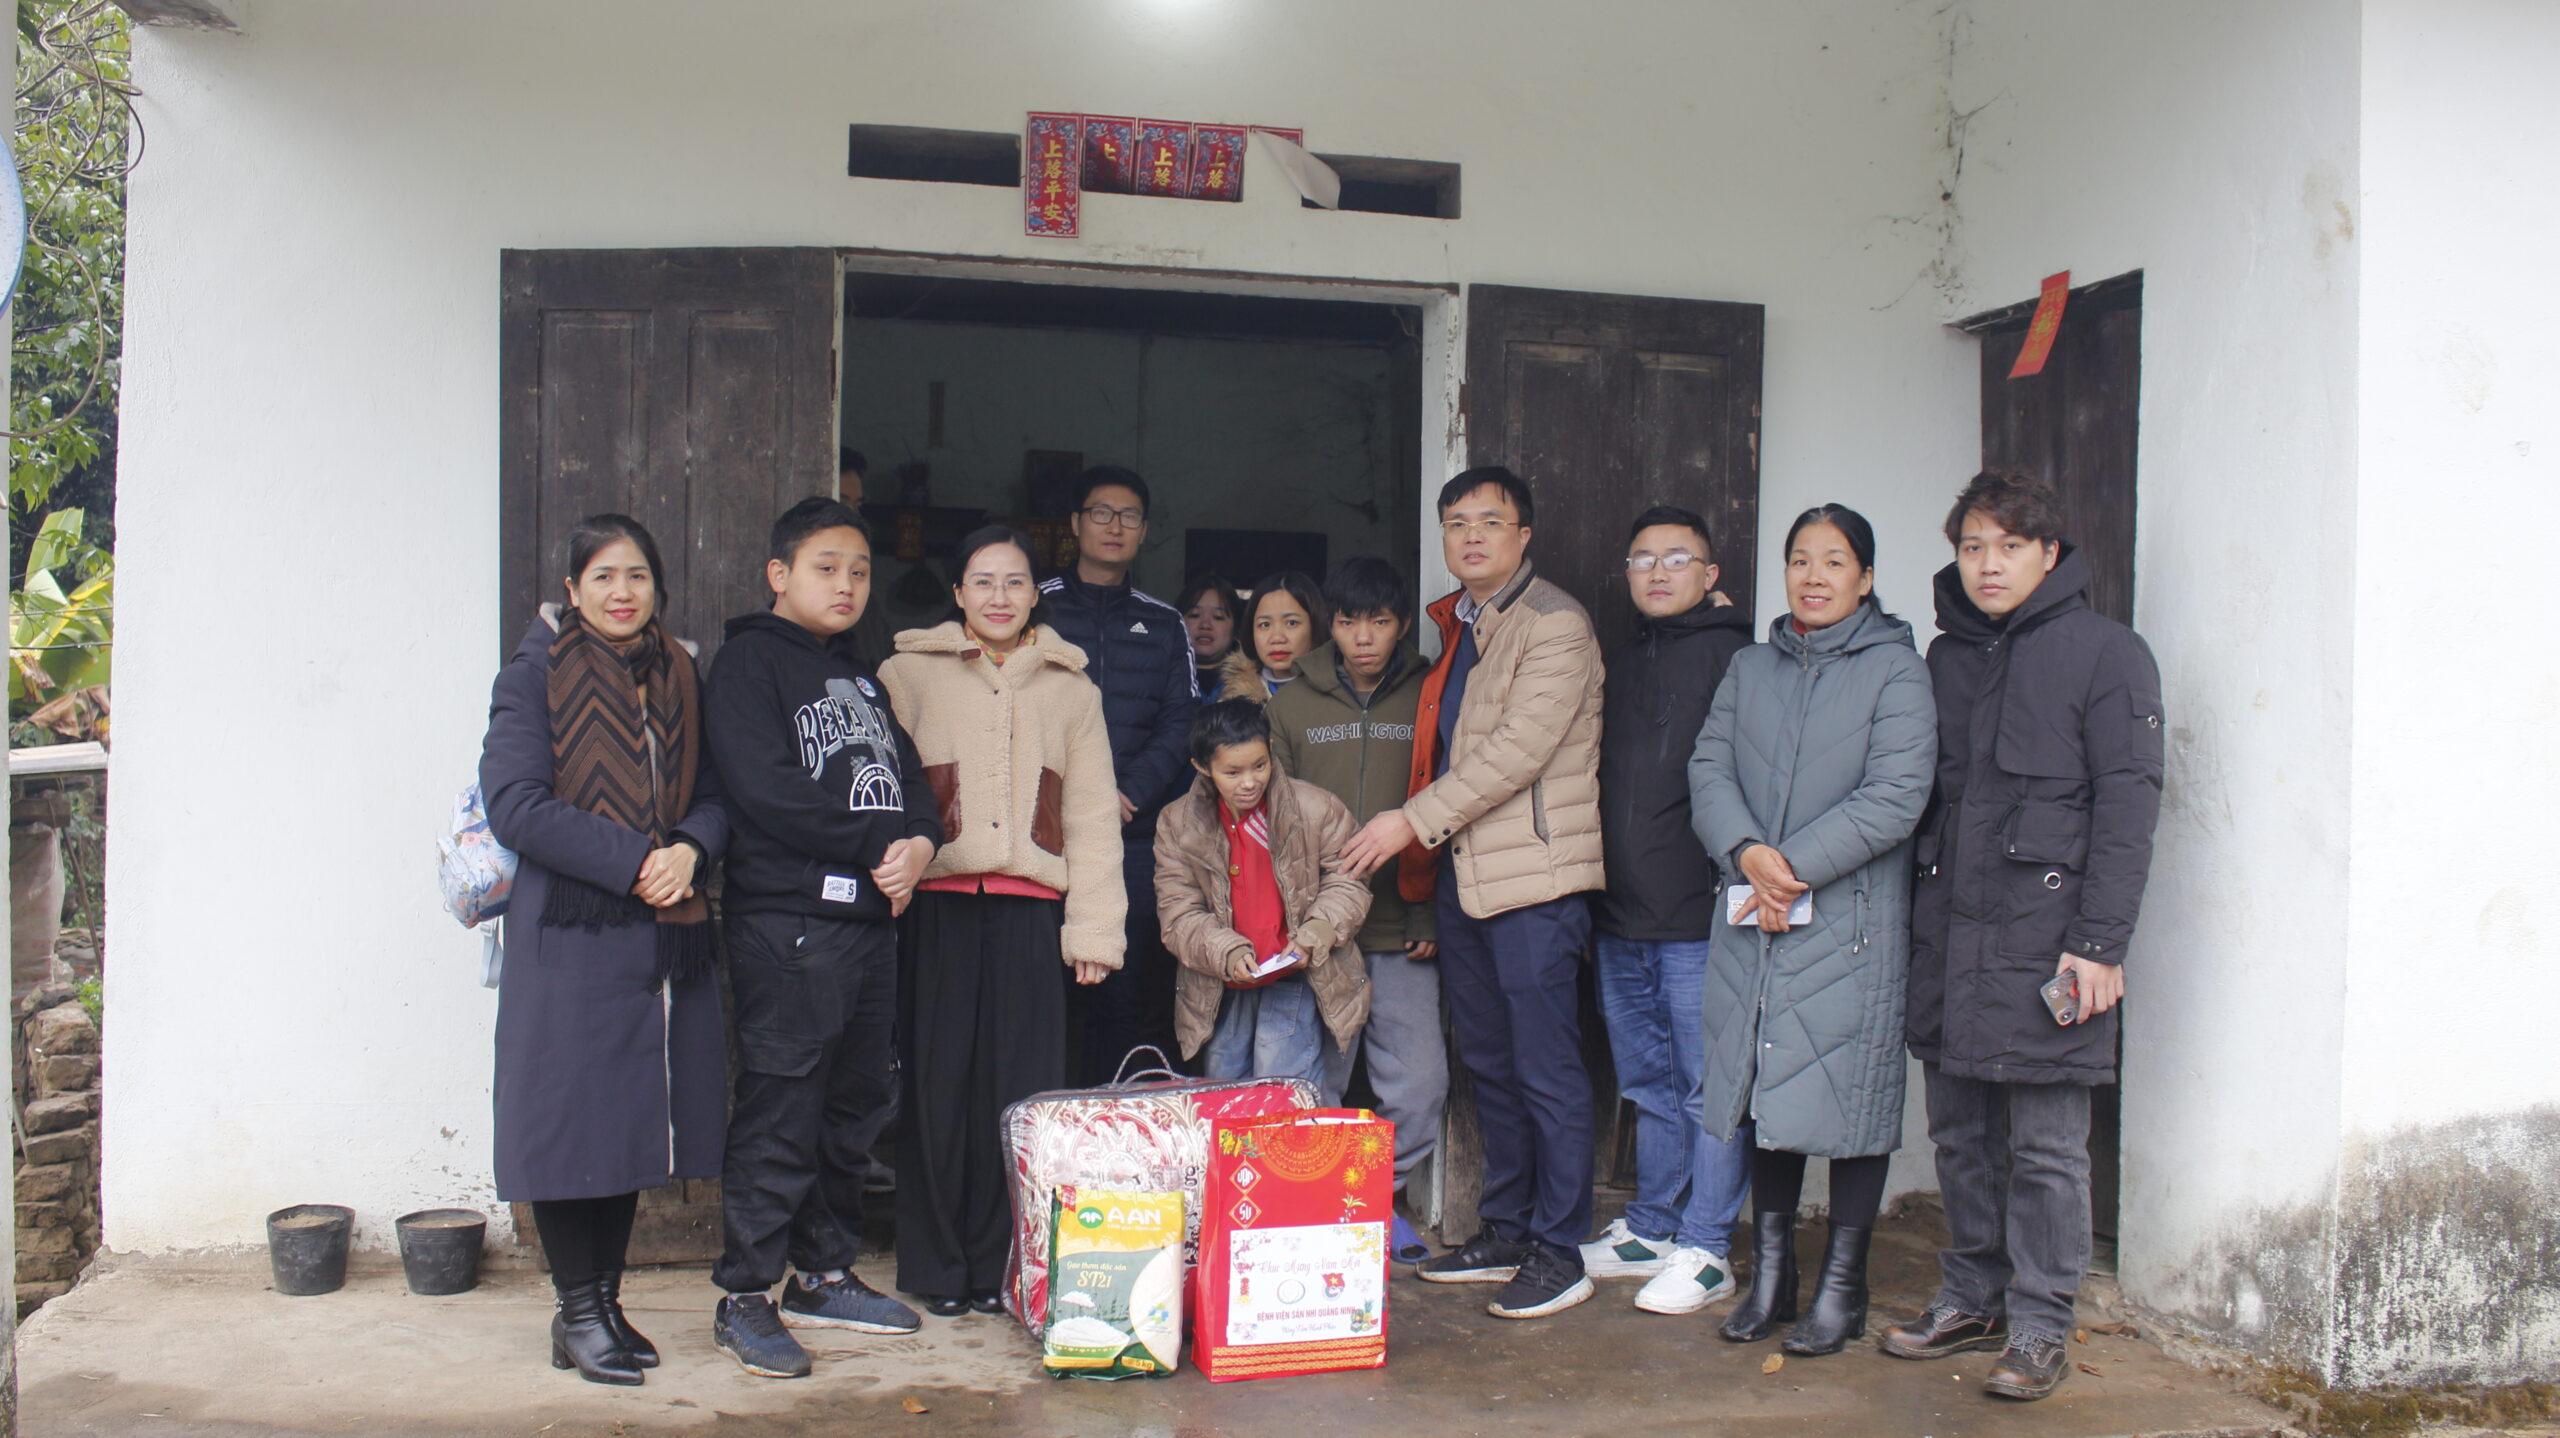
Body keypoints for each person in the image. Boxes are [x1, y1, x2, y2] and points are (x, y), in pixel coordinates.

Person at [1879, 473, 2163, 1402]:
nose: (1988, 564)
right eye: (1972, 547)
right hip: (1951, 937)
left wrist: (2101, 943)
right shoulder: (1945, 658)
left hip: (2052, 944)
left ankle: (2042, 1321)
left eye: (2007, 546)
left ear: (2049, 553)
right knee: (1960, 1136)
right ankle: (1972, 1295)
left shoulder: (2108, 654)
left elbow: (2128, 807)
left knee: (2046, 1147)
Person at [1342, 466, 1605, 1322]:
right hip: (1467, 875)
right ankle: (1508, 1227)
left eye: (1490, 521)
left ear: (1524, 535)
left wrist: (1408, 823)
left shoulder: (1554, 624)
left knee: (1546, 1065)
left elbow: (1516, 752)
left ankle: (1560, 1249)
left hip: (1534, 877)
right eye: (1457, 523)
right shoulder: (1463, 626)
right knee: (1489, 1061)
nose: (1472, 536)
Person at [479, 514, 727, 1386]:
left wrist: (690, 848)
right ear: (573, 588)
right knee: (566, 1124)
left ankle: (604, 1305)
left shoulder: (680, 673)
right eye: (604, 577)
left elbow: (714, 793)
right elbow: (515, 803)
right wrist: (636, 862)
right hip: (571, 930)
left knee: (626, 1124)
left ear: (658, 587)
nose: (623, 593)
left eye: (638, 577)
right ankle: (577, 1311)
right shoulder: (533, 674)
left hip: (658, 932)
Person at [1688, 503, 1937, 1357]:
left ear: (1866, 578)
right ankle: (1774, 1277)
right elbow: (1709, 766)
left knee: (1850, 1098)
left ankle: (1843, 1287)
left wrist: (1785, 866)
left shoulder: (1897, 671)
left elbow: (1896, 795)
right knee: (1766, 1088)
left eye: (1835, 561)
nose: (1815, 576)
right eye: (1801, 559)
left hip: (1846, 921)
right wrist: (1744, 850)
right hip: (1754, 913)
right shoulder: (1750, 667)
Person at [700, 498, 941, 1378]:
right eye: (826, 568)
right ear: (780, 574)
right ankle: (745, 1295)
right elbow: (765, 791)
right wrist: (879, 844)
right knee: (782, 1110)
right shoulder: (748, 664)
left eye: (860, 571)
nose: (846, 585)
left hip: (868, 928)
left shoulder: (861, 678)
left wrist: (921, 843)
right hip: (790, 926)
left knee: (853, 1110)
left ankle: (823, 1275)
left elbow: (912, 782)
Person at [882, 525, 1124, 1316]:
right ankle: (935, 1267)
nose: (998, 596)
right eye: (982, 581)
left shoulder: (1071, 688)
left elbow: (1092, 817)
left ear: (1035, 594)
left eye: (1014, 582)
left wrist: (1094, 930)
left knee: (1020, 1091)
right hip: (936, 909)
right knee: (936, 1086)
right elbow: (881, 787)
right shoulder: (907, 675)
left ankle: (1001, 1266)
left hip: (1031, 915)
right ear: (957, 593)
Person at [1581, 505, 1756, 1316]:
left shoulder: (1739, 660)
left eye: (1677, 558)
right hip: (1622, 912)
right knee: (1648, 1082)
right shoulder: (1620, 660)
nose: (1657, 572)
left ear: (1710, 575)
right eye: (1643, 559)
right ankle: (1653, 1225)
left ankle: (1708, 1245)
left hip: (1700, 913)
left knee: (1706, 1086)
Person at [1270, 556, 1443, 1264]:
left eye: (1379, 621)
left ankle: (1377, 1201)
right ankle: (1319, 1209)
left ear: (1401, 625)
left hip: (1405, 927)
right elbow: (1271, 824)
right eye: (1348, 622)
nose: (1363, 638)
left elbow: (1452, 803)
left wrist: (1430, 914)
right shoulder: (1291, 706)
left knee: (1420, 1083)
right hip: (1320, 933)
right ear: (1329, 626)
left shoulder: (1431, 694)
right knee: (1316, 1084)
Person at [1037, 466, 1197, 1085]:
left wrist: (1123, 794)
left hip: (1133, 839)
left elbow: (1181, 721)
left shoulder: (1163, 623)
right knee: (1044, 995)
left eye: (1128, 516)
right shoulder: (1033, 605)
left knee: (1128, 996)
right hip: (1041, 836)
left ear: (1145, 530)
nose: (1114, 526)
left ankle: (1117, 1125)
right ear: (1075, 524)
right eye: (1100, 513)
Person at [1155, 700, 1373, 1091]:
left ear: (1271, 750)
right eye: (1232, 772)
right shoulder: (1177, 823)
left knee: (1282, 1085)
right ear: (1202, 768)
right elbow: (1178, 912)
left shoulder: (1314, 808)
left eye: (1259, 765)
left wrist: (1317, 931)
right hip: (1221, 982)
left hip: (1297, 970)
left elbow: (1349, 878)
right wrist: (1227, 951)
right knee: (1225, 1089)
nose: (1249, 782)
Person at [1218, 570, 1326, 699]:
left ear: (1315, 626)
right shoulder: (1233, 700)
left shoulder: (1340, 696)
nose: (1277, 638)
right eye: (1265, 625)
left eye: (1291, 623)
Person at [1177, 573, 1244, 701]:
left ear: (1236, 628)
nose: (1205, 625)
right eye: (1195, 615)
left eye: (1218, 617)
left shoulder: (1257, 686)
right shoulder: (1160, 678)